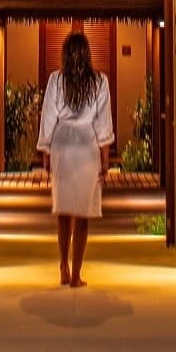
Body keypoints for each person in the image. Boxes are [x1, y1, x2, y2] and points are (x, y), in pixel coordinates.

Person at [37, 31, 114, 288]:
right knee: (82, 212)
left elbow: (48, 116)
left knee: (64, 210)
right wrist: (105, 159)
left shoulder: (56, 80)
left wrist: (46, 152)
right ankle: (76, 274)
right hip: (86, 146)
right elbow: (103, 122)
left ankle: (63, 266)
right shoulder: (100, 82)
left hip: (62, 144)